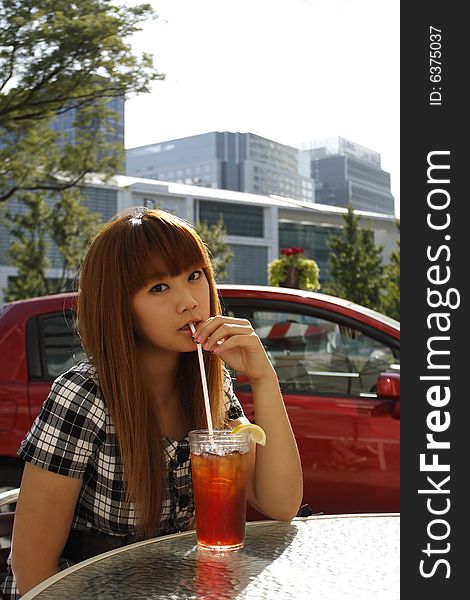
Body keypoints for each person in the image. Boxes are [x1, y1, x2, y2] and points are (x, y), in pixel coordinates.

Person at [1, 207, 303, 598]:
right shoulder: (85, 396)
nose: (189, 302)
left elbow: (281, 505)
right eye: (159, 288)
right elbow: (31, 567)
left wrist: (263, 378)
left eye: (194, 276)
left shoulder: (209, 386)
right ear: (120, 306)